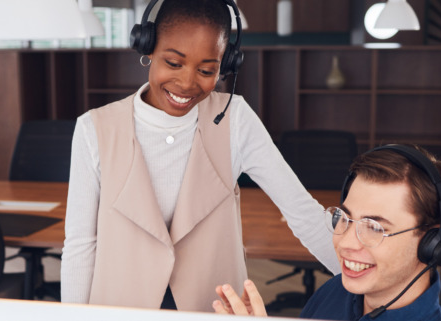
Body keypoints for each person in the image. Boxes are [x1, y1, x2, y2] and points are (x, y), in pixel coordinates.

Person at [61, 0, 338, 312]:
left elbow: (304, 214)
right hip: (120, 309)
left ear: (226, 64)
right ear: (148, 48)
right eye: (174, 63)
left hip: (215, 309)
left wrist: (371, 281)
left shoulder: (235, 119)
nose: (187, 83)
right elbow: (81, 244)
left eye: (207, 70)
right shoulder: (93, 129)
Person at [213, 144, 441, 320]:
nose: (345, 243)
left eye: (374, 228)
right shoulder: (339, 290)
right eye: (344, 218)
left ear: (432, 243)